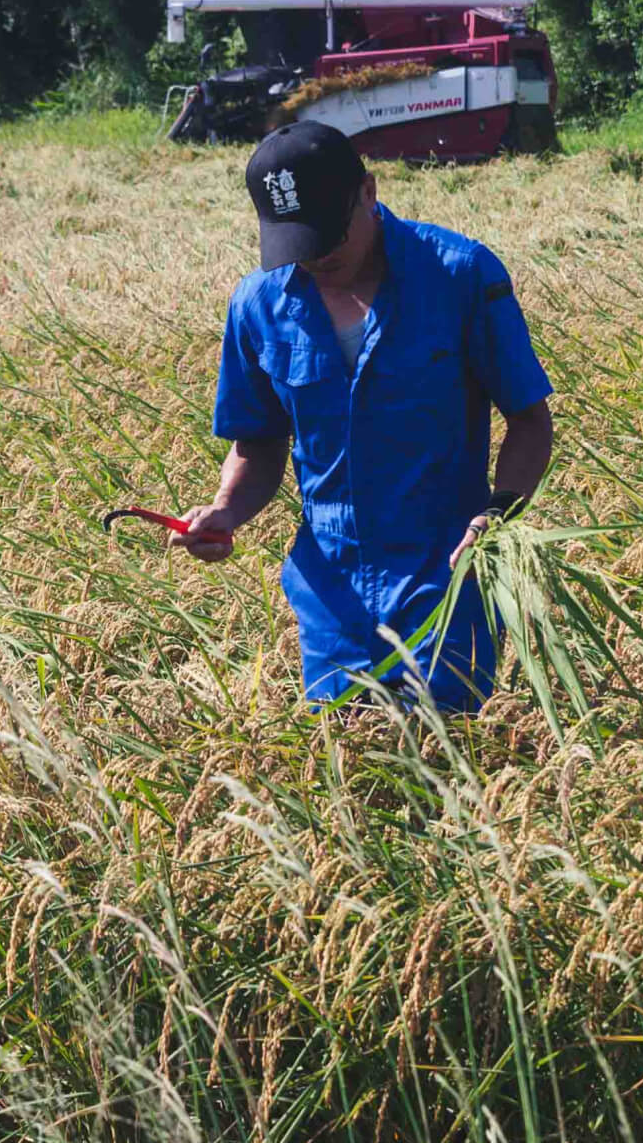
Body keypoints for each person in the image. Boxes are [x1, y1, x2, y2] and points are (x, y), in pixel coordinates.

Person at [170, 121, 553, 712]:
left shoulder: (461, 275)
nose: (317, 257)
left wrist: (496, 517)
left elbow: (529, 420)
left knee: (452, 761)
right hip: (332, 590)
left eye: (328, 236)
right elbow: (258, 446)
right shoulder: (259, 305)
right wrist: (226, 509)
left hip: (447, 576)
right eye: (298, 243)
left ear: (368, 193)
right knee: (349, 773)